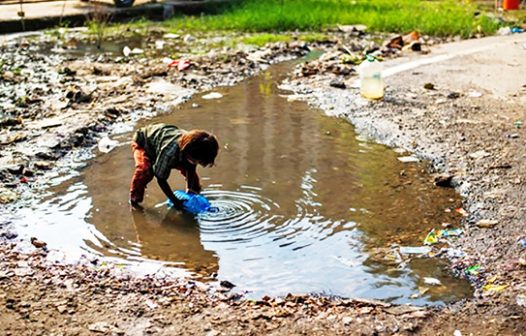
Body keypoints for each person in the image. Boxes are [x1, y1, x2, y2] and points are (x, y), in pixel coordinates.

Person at [129, 123, 219, 210]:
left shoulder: (195, 147)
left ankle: (194, 191)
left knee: (194, 183)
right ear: (187, 152)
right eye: (196, 160)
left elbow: (191, 167)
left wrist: (190, 189)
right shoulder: (170, 152)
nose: (197, 163)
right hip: (144, 142)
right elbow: (161, 178)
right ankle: (134, 201)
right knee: (145, 170)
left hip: (166, 143)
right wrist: (174, 200)